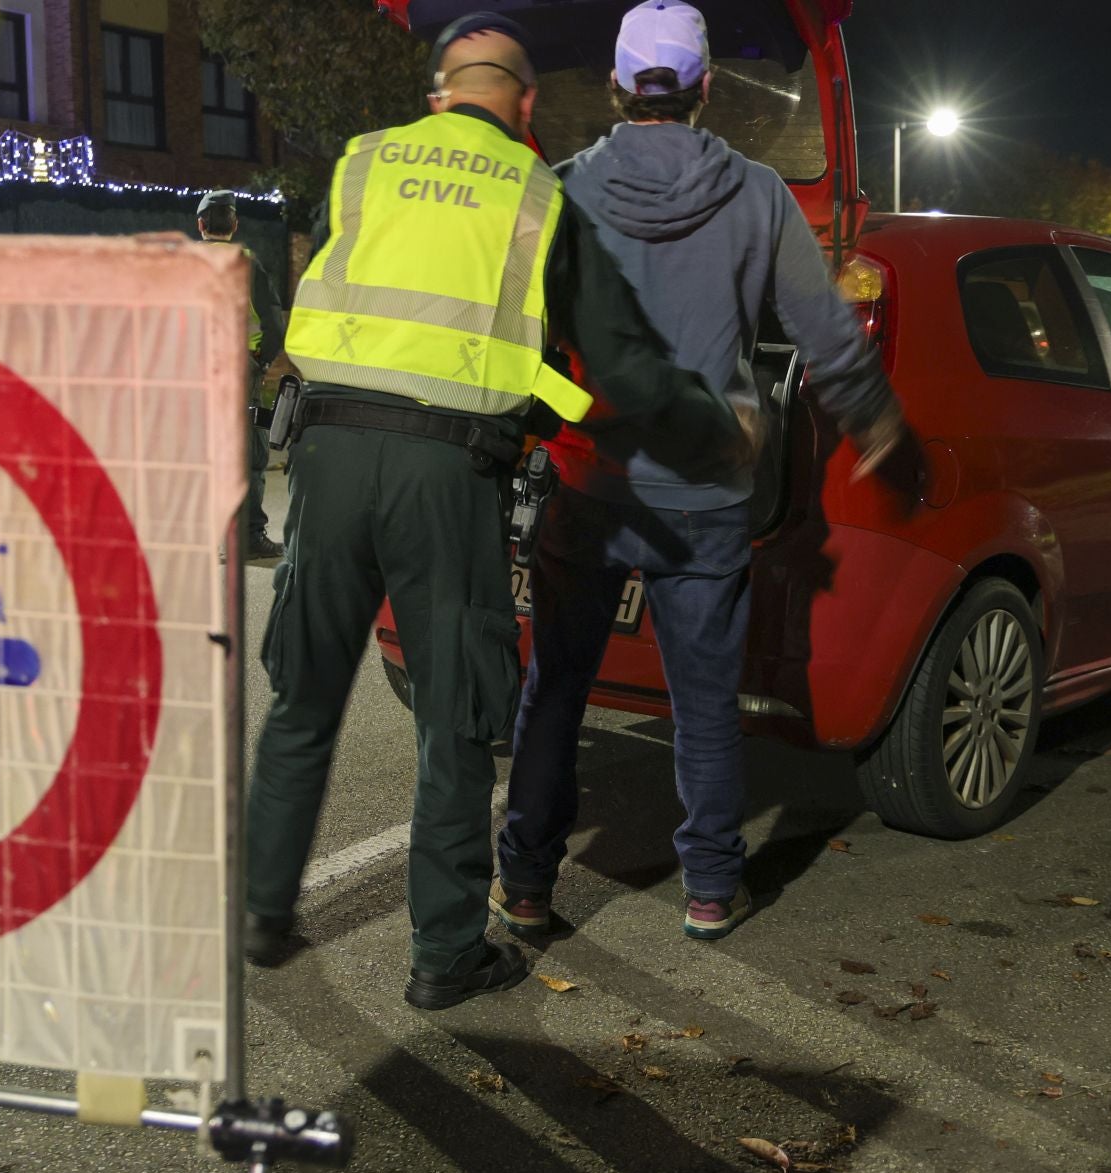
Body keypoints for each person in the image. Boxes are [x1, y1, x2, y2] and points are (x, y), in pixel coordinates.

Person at [244, 12, 722, 1008]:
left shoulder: (365, 162)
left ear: (437, 95)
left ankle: (261, 909)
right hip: (444, 476)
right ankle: (446, 951)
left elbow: (343, 307)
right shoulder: (541, 192)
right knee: (455, 721)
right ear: (529, 103)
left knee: (302, 695)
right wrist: (686, 429)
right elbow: (611, 357)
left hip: (326, 455)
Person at [493, 0, 906, 943]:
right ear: (706, 89)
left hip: (593, 479)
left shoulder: (562, 194)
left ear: (613, 84)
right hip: (708, 491)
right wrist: (875, 417)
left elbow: (515, 331)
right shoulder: (758, 194)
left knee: (555, 689)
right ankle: (712, 887)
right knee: (706, 705)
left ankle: (525, 883)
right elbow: (822, 327)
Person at [198, 189, 288, 561]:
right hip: (239, 368)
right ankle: (248, 537)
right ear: (234, 224)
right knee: (249, 454)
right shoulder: (246, 263)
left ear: (201, 225)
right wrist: (261, 362)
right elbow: (274, 324)